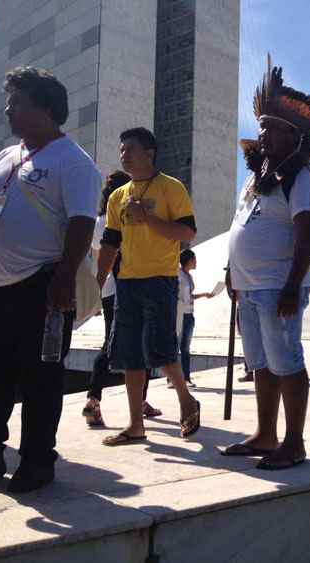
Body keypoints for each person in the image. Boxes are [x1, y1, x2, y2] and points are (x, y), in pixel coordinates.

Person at [0, 67, 101, 492]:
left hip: (45, 286)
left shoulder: (73, 162)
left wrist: (64, 279)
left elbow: (83, 224)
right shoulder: (8, 157)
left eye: (17, 102)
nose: (7, 110)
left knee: (41, 379)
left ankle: (36, 463)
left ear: (44, 107)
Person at [221, 58, 310, 470]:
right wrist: (232, 274)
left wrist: (290, 285)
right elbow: (241, 225)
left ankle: (293, 442)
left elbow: (305, 234)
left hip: (277, 287)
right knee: (261, 364)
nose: (261, 134)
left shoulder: (303, 178)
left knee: (286, 363)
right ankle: (265, 435)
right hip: (248, 287)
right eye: (261, 126)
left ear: (294, 135)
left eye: (271, 128)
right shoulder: (256, 176)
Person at [98, 127, 200, 446]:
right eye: (121, 149)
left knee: (161, 347)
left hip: (160, 279)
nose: (123, 153)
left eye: (130, 148)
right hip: (127, 282)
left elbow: (187, 233)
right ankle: (135, 426)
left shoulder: (171, 187)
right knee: (129, 354)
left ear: (149, 152)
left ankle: (186, 400)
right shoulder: (118, 195)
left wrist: (148, 219)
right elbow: (110, 242)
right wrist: (97, 281)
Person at [81, 171, 161, 427]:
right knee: (143, 344)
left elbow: (97, 252)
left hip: (106, 289)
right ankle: (140, 401)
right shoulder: (125, 217)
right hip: (131, 285)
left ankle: (93, 400)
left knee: (110, 342)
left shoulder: (97, 222)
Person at [177, 249, 211, 387]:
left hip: (190, 314)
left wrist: (204, 295)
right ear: (188, 260)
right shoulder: (178, 275)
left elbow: (189, 296)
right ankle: (175, 379)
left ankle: (185, 378)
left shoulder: (188, 276)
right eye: (194, 259)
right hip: (180, 314)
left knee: (185, 347)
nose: (196, 262)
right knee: (176, 346)